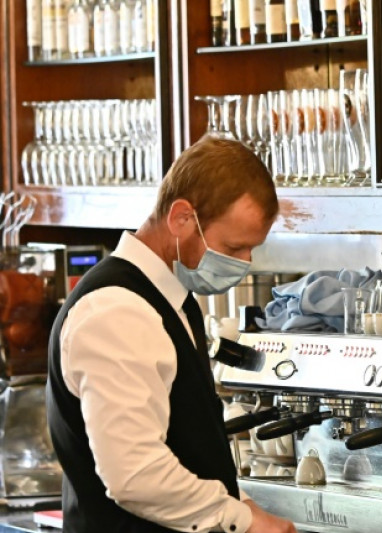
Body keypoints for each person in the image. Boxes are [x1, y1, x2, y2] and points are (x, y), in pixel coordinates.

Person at [46, 138, 297, 533]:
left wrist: (245, 507)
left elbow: (191, 449)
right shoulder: (117, 310)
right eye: (233, 247)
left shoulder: (171, 300)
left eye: (250, 251)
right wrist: (242, 520)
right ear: (181, 218)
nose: (242, 264)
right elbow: (135, 475)